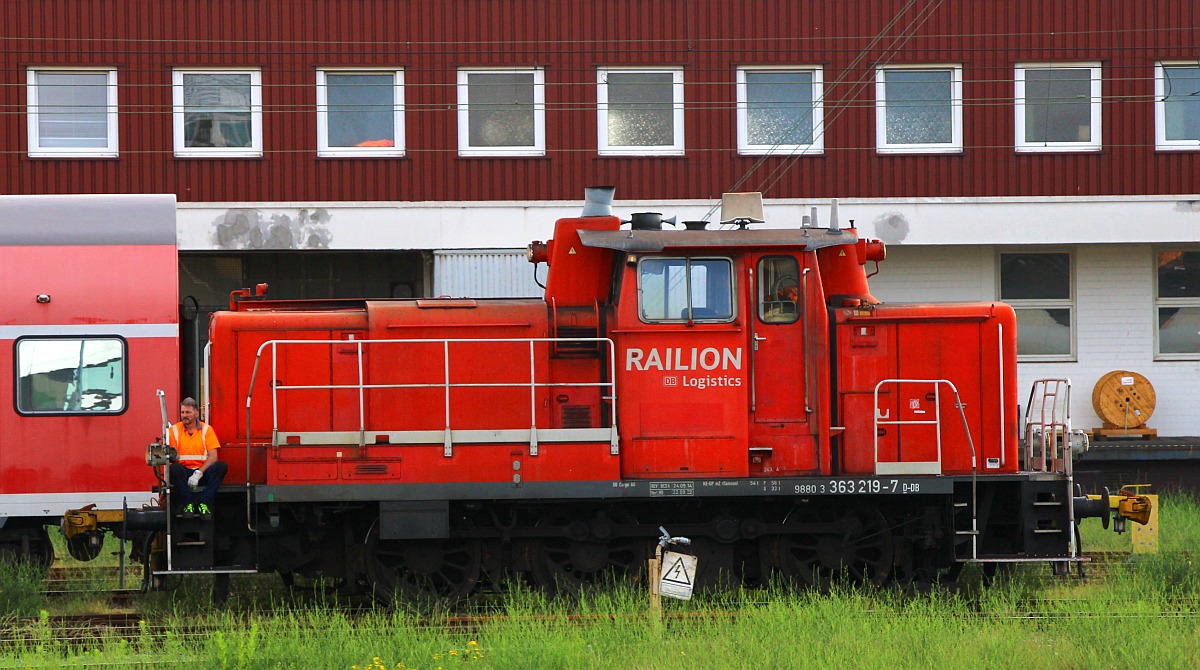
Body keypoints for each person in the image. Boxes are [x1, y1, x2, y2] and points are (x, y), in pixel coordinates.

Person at [168, 397, 227, 518]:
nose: (184, 415)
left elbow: (213, 456)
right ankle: (188, 503)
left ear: (196, 413)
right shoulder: (173, 430)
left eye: (188, 412)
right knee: (173, 469)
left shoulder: (207, 430)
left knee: (221, 466)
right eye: (183, 412)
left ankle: (203, 502)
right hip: (184, 473)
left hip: (203, 472)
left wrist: (199, 473)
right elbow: (170, 457)